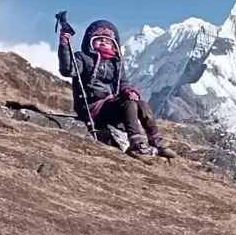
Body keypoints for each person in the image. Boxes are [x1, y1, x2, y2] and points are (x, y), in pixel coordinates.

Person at [57, 19, 176, 161]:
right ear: (90, 41)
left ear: (114, 45)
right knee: (128, 103)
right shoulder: (82, 58)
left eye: (107, 41)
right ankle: (136, 144)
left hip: (110, 105)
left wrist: (128, 91)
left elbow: (123, 83)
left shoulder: (116, 63)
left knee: (139, 102)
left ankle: (156, 140)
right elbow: (68, 70)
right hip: (91, 107)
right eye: (98, 39)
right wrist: (64, 45)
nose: (103, 42)